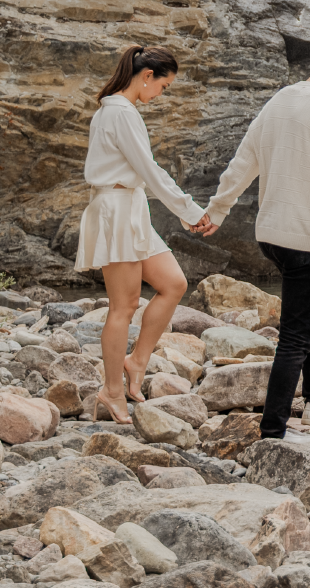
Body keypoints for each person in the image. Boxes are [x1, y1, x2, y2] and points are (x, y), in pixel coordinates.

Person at [200, 36, 310, 444]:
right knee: (296, 334)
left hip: (271, 234)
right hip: (304, 238)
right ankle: (274, 431)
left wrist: (219, 208)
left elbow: (245, 160)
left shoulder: (278, 101)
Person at [76, 43, 213, 423]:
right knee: (124, 305)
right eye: (164, 87)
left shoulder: (121, 111)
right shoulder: (120, 112)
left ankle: (136, 361)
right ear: (147, 76)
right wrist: (189, 210)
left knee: (173, 283)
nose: (161, 95)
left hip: (131, 208)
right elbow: (150, 170)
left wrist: (184, 213)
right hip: (117, 210)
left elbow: (144, 173)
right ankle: (112, 391)